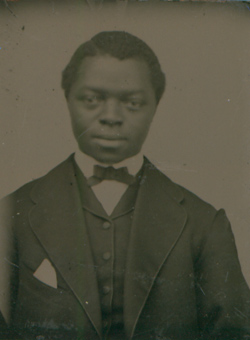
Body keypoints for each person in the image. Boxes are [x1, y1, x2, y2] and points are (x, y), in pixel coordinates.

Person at [0, 31, 250, 340]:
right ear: (67, 98)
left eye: (132, 102)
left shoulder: (204, 225)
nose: (111, 117)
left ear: (155, 105)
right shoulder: (12, 215)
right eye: (92, 99)